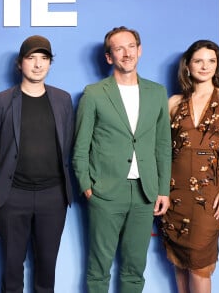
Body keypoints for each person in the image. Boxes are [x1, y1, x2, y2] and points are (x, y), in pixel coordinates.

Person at [72, 26, 172, 293]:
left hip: (144, 192)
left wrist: (163, 190)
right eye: (119, 48)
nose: (126, 53)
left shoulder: (157, 92)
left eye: (131, 47)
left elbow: (163, 145)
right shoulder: (93, 93)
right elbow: (80, 146)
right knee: (98, 268)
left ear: (140, 50)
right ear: (109, 57)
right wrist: (87, 186)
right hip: (105, 192)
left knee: (134, 269)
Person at [159, 40, 219, 293]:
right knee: (180, 263)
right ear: (187, 66)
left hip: (210, 194)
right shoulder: (174, 102)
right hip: (174, 194)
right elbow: (163, 150)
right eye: (198, 60)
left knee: (199, 265)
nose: (205, 66)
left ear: (218, 65)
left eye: (211, 60)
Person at [0, 35, 74, 293]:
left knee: (47, 268)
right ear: (19, 63)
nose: (38, 65)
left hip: (53, 196)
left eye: (44, 58)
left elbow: (68, 144)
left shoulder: (63, 100)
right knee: (12, 268)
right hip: (13, 196)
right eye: (31, 58)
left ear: (49, 63)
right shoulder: (1, 101)